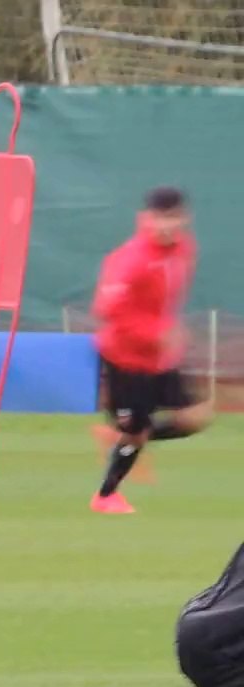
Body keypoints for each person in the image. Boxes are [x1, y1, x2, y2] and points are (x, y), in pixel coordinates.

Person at [89, 186, 212, 514]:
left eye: (174, 217)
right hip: (125, 359)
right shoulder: (129, 259)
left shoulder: (185, 249)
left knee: (196, 418)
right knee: (136, 434)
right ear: (145, 218)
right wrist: (157, 332)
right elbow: (107, 311)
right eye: (160, 218)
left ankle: (125, 435)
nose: (167, 225)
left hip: (160, 358)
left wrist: (168, 331)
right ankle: (105, 496)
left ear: (185, 218)